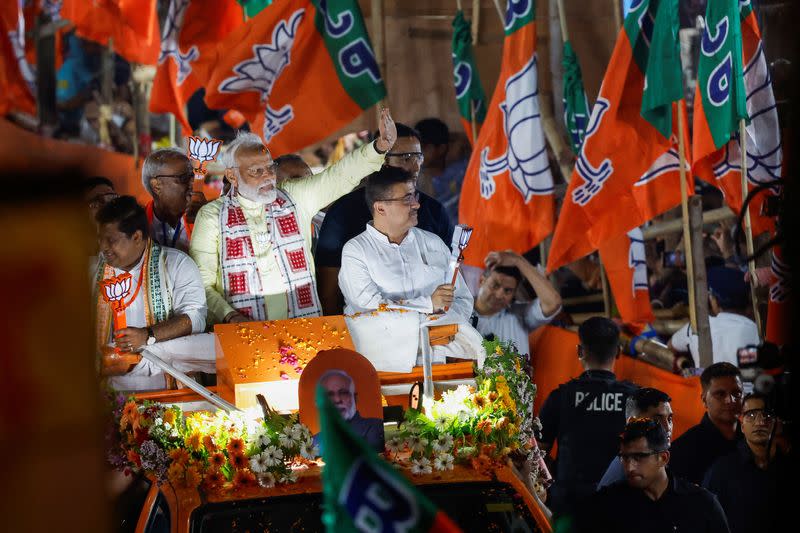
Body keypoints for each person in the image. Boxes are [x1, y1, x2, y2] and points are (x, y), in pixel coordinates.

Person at [189, 108, 397, 324]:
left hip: (302, 326)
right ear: (232, 175)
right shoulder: (212, 216)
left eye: (269, 168)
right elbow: (202, 283)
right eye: (256, 171)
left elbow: (339, 175)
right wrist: (229, 316)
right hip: (242, 332)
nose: (267, 177)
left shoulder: (295, 196)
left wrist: (378, 147)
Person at [315, 123, 454, 315]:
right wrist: (427, 304)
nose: (415, 166)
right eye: (406, 158)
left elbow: (453, 285)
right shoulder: (343, 214)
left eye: (418, 157)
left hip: (434, 334)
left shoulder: (435, 212)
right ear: (382, 160)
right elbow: (329, 295)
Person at [94, 196, 214, 391]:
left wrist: (147, 335)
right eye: (100, 239)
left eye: (111, 240)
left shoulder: (177, 264)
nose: (103, 247)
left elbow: (195, 319)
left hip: (166, 390)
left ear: (136, 237)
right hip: (107, 394)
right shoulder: (92, 271)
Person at [338, 166, 473, 320]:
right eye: (407, 198)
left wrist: (441, 324)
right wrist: (428, 305)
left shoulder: (433, 242)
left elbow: (463, 300)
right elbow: (367, 308)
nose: (416, 204)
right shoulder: (356, 251)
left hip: (443, 338)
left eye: (415, 196)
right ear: (381, 208)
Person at [537, 317, 638, 517]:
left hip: (569, 507)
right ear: (618, 351)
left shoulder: (561, 396)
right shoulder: (634, 397)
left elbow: (537, 453)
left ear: (580, 351)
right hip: (621, 506)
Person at [580, 419, 730, 533]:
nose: (629, 467)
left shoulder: (702, 504)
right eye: (625, 458)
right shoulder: (606, 504)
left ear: (663, 458)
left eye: (639, 457)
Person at [703, 393, 789, 533]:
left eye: (766, 415)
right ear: (742, 425)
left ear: (775, 423)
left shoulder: (787, 466)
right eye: (751, 415)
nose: (760, 422)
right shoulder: (722, 470)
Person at [473, 250, 561, 357]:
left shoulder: (519, 314)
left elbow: (553, 303)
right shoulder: (460, 313)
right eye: (495, 285)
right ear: (482, 280)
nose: (500, 294)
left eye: (508, 290)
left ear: (514, 293)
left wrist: (518, 261)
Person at [669, 363, 744, 484]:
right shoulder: (683, 450)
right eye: (720, 394)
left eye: (737, 393)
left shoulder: (753, 441)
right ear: (704, 400)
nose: (730, 400)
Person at [669, 266, 759, 366]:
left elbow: (671, 346)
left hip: (707, 381)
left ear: (714, 301)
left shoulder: (696, 327)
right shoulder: (756, 332)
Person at [598, 387, 674, 489]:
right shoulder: (628, 476)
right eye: (656, 420)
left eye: (669, 419)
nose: (667, 427)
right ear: (632, 422)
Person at [313, 369, 384, 453]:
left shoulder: (378, 427)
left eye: (343, 393)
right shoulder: (314, 443)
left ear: (355, 398)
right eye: (330, 395)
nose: (337, 400)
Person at [415, 117, 468, 224]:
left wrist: (460, 142)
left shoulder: (463, 171)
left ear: (441, 148)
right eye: (415, 147)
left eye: (423, 147)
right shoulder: (414, 180)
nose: (417, 153)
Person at [141, 148, 195, 252]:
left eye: (192, 176)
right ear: (156, 185)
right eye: (183, 178)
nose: (192, 183)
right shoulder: (135, 225)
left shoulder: (205, 218)